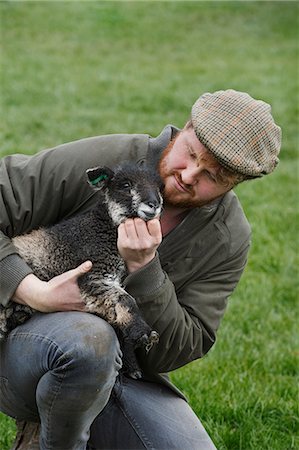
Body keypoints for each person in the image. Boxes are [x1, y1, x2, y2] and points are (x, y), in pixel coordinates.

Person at [0, 89, 281, 450]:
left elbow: (179, 348)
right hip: (20, 343)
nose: (190, 174)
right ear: (185, 128)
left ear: (236, 183)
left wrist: (145, 269)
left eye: (214, 175)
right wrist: (28, 289)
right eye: (191, 153)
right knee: (90, 343)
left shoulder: (228, 237)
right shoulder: (108, 160)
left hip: (127, 372)